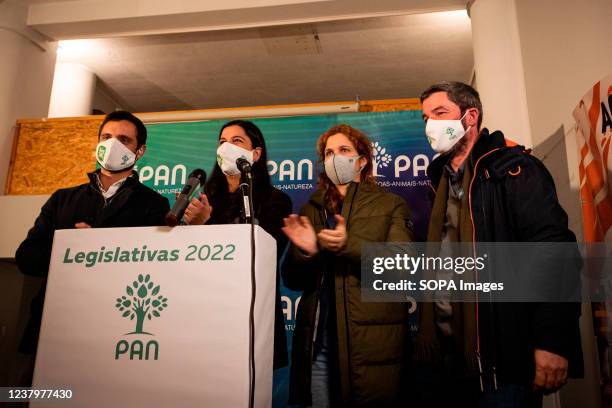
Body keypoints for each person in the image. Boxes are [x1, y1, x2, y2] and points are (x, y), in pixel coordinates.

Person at [415, 81, 583, 407]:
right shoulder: (438, 183)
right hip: (446, 364)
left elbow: (554, 252)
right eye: (424, 118)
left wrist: (552, 339)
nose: (430, 125)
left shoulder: (513, 169)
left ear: (470, 116)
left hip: (502, 365)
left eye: (439, 113)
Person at [14, 110, 205, 384]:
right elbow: (26, 258)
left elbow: (154, 268)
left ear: (140, 151)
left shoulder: (154, 205)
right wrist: (70, 250)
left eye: (124, 139)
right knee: (29, 395)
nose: (112, 144)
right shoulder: (63, 199)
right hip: (53, 325)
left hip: (114, 329)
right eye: (106, 137)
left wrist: (99, 250)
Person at [281, 124, 414, 407]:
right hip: (319, 347)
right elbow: (292, 280)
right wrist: (305, 253)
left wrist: (348, 245)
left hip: (369, 350)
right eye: (329, 153)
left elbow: (403, 267)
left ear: (362, 160)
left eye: (344, 150)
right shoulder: (311, 209)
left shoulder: (390, 205)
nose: (335, 158)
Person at [182, 119, 292, 369]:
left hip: (250, 316)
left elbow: (260, 258)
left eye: (236, 141)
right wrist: (189, 227)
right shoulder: (202, 199)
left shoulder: (276, 201)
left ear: (255, 154)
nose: (226, 148)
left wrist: (205, 226)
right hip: (203, 313)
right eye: (222, 142)